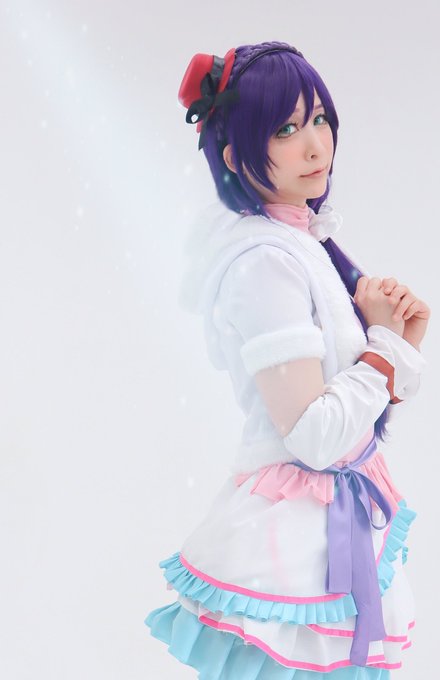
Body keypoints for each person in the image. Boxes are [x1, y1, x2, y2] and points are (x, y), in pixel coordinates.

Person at [145, 41, 430, 678]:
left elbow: (355, 411)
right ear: (234, 155)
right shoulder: (264, 263)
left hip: (329, 528)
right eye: (285, 129)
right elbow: (314, 437)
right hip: (294, 543)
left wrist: (398, 342)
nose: (315, 146)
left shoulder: (297, 239)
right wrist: (384, 347)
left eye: (319, 119)